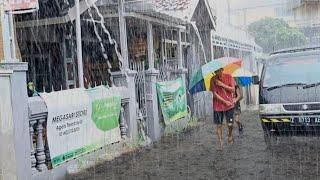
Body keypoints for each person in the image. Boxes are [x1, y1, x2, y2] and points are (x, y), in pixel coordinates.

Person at [210, 68, 236, 150]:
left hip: (229, 105)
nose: (217, 73)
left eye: (219, 71)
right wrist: (225, 102)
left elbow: (233, 90)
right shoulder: (213, 79)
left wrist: (222, 84)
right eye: (215, 71)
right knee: (219, 125)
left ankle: (230, 134)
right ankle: (220, 143)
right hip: (217, 106)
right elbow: (215, 94)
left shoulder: (229, 77)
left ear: (222, 69)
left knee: (230, 124)